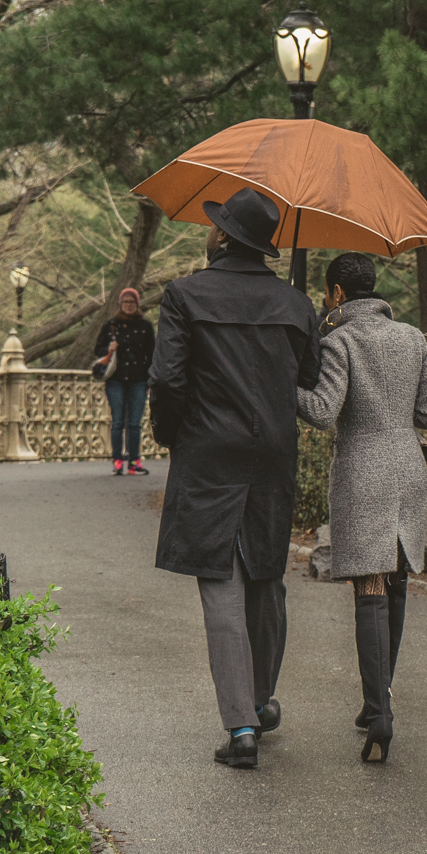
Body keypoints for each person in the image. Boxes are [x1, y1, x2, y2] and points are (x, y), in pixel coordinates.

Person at [148, 187, 320, 769]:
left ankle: (242, 726)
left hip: (208, 451)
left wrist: (173, 435)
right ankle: (261, 699)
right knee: (266, 574)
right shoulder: (295, 304)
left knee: (219, 578)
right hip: (272, 451)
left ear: (223, 236)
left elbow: (167, 380)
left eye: (215, 223)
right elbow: (309, 376)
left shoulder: (185, 295)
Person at [296, 253, 427, 764]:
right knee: (396, 580)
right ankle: (377, 702)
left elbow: (322, 412)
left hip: (363, 472)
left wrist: (285, 383)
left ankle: (379, 713)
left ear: (338, 293)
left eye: (326, 292)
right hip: (409, 469)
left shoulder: (339, 341)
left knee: (370, 586)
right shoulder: (413, 337)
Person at [95, 287, 156, 476]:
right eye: (125, 302)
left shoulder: (145, 326)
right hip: (116, 379)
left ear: (137, 304)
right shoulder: (111, 325)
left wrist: (151, 379)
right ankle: (117, 461)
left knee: (135, 423)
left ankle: (134, 461)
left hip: (139, 379)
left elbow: (152, 354)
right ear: (120, 304)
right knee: (118, 421)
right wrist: (109, 349)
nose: (128, 305)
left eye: (132, 302)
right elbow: (97, 350)